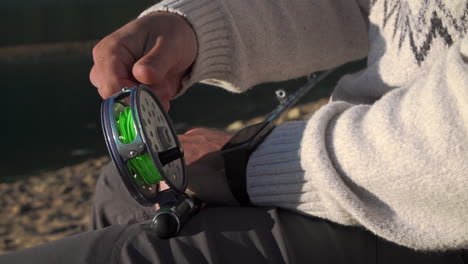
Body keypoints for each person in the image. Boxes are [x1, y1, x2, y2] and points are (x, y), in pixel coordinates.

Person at [1, 0, 467, 263]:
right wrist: (193, 28)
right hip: (380, 154)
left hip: (430, 207)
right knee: (117, 189)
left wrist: (253, 163)